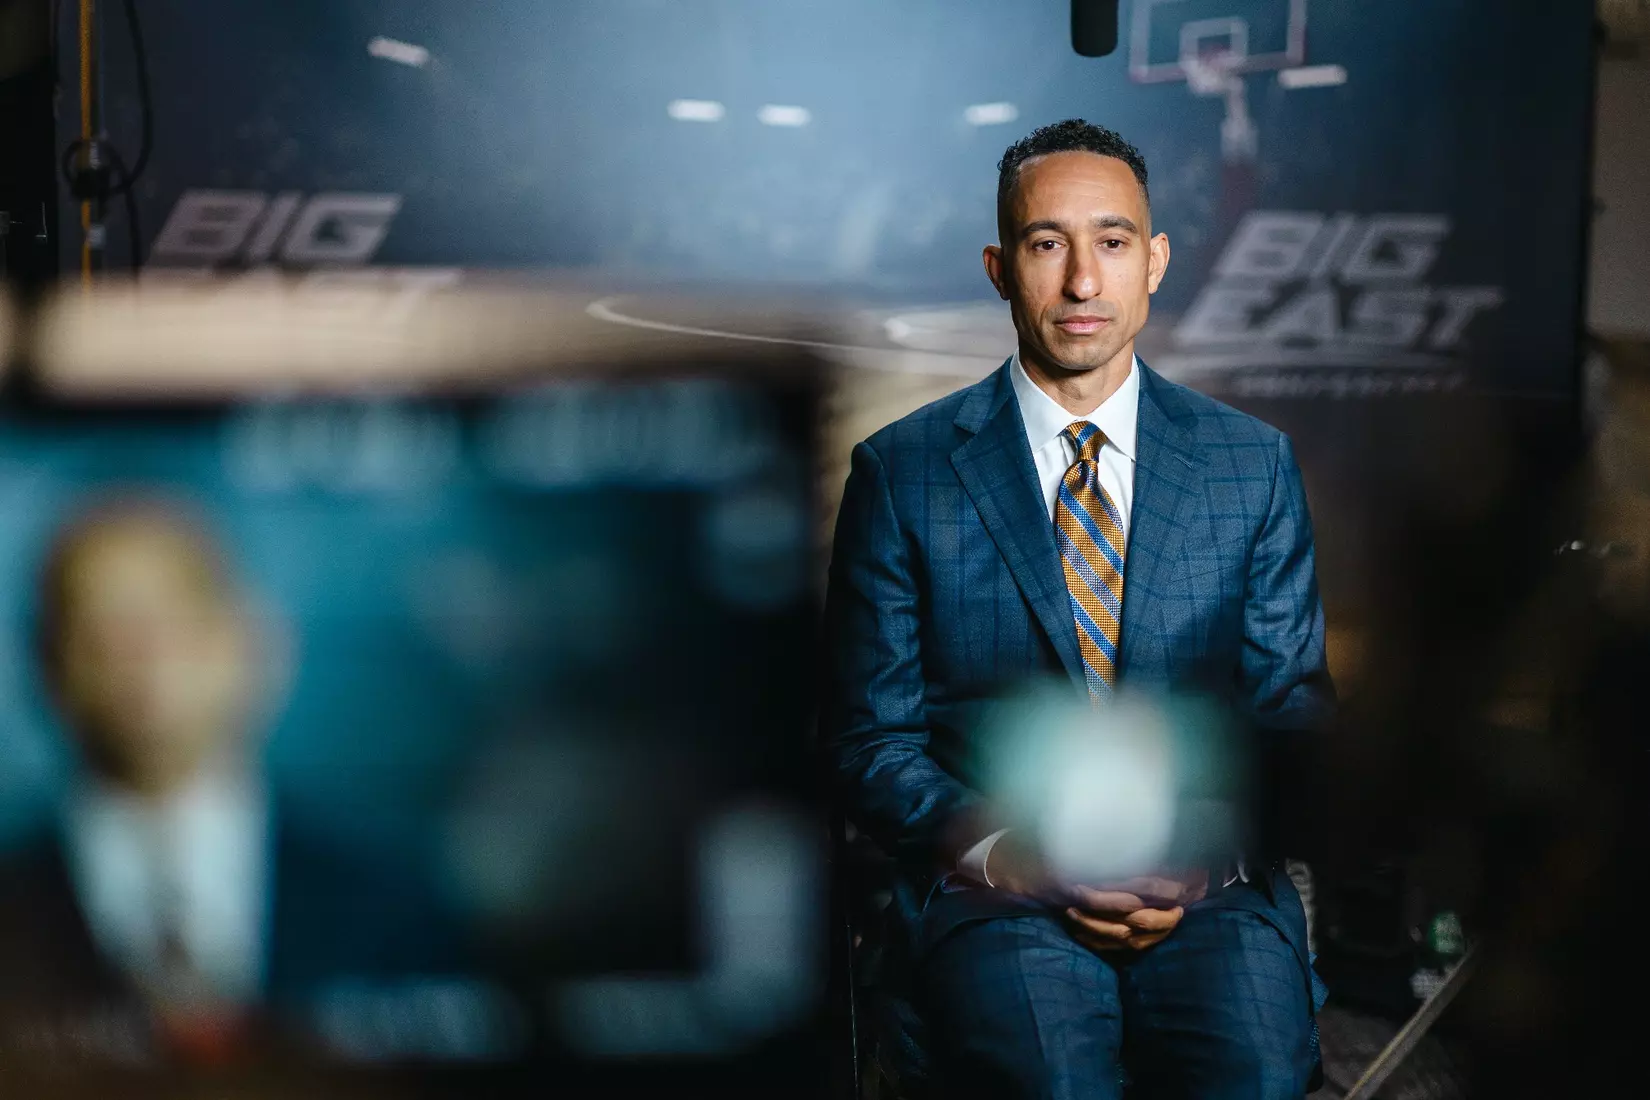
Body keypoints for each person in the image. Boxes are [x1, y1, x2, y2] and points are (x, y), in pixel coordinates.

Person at [823, 120, 1334, 1099]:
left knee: (1260, 1068)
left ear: (1156, 261)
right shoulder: (902, 471)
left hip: (1210, 883)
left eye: (1111, 242)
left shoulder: (1250, 462)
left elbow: (1292, 713)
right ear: (999, 267)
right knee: (1047, 1075)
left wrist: (1195, 854)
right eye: (1046, 243)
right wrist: (1008, 849)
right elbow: (866, 739)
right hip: (997, 887)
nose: (1083, 282)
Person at [0, 497, 455, 1065]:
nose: (141, 655)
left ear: (253, 643)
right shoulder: (11, 905)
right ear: (46, 665)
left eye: (174, 617)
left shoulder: (397, 904)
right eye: (99, 627)